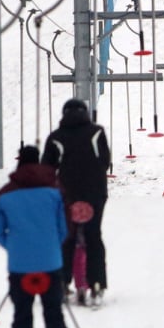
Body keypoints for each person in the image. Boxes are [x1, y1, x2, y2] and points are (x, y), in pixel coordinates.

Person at [0, 145, 75, 328]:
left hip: (19, 267)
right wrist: (51, 247)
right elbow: (65, 227)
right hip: (50, 264)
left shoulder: (6, 194)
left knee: (21, 320)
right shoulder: (55, 191)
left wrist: (14, 248)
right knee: (54, 319)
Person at [41, 98, 111, 305]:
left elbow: (47, 169)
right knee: (93, 236)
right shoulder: (96, 132)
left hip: (66, 195)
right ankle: (96, 283)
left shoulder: (56, 138)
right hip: (95, 194)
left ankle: (63, 283)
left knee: (67, 237)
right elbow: (105, 161)